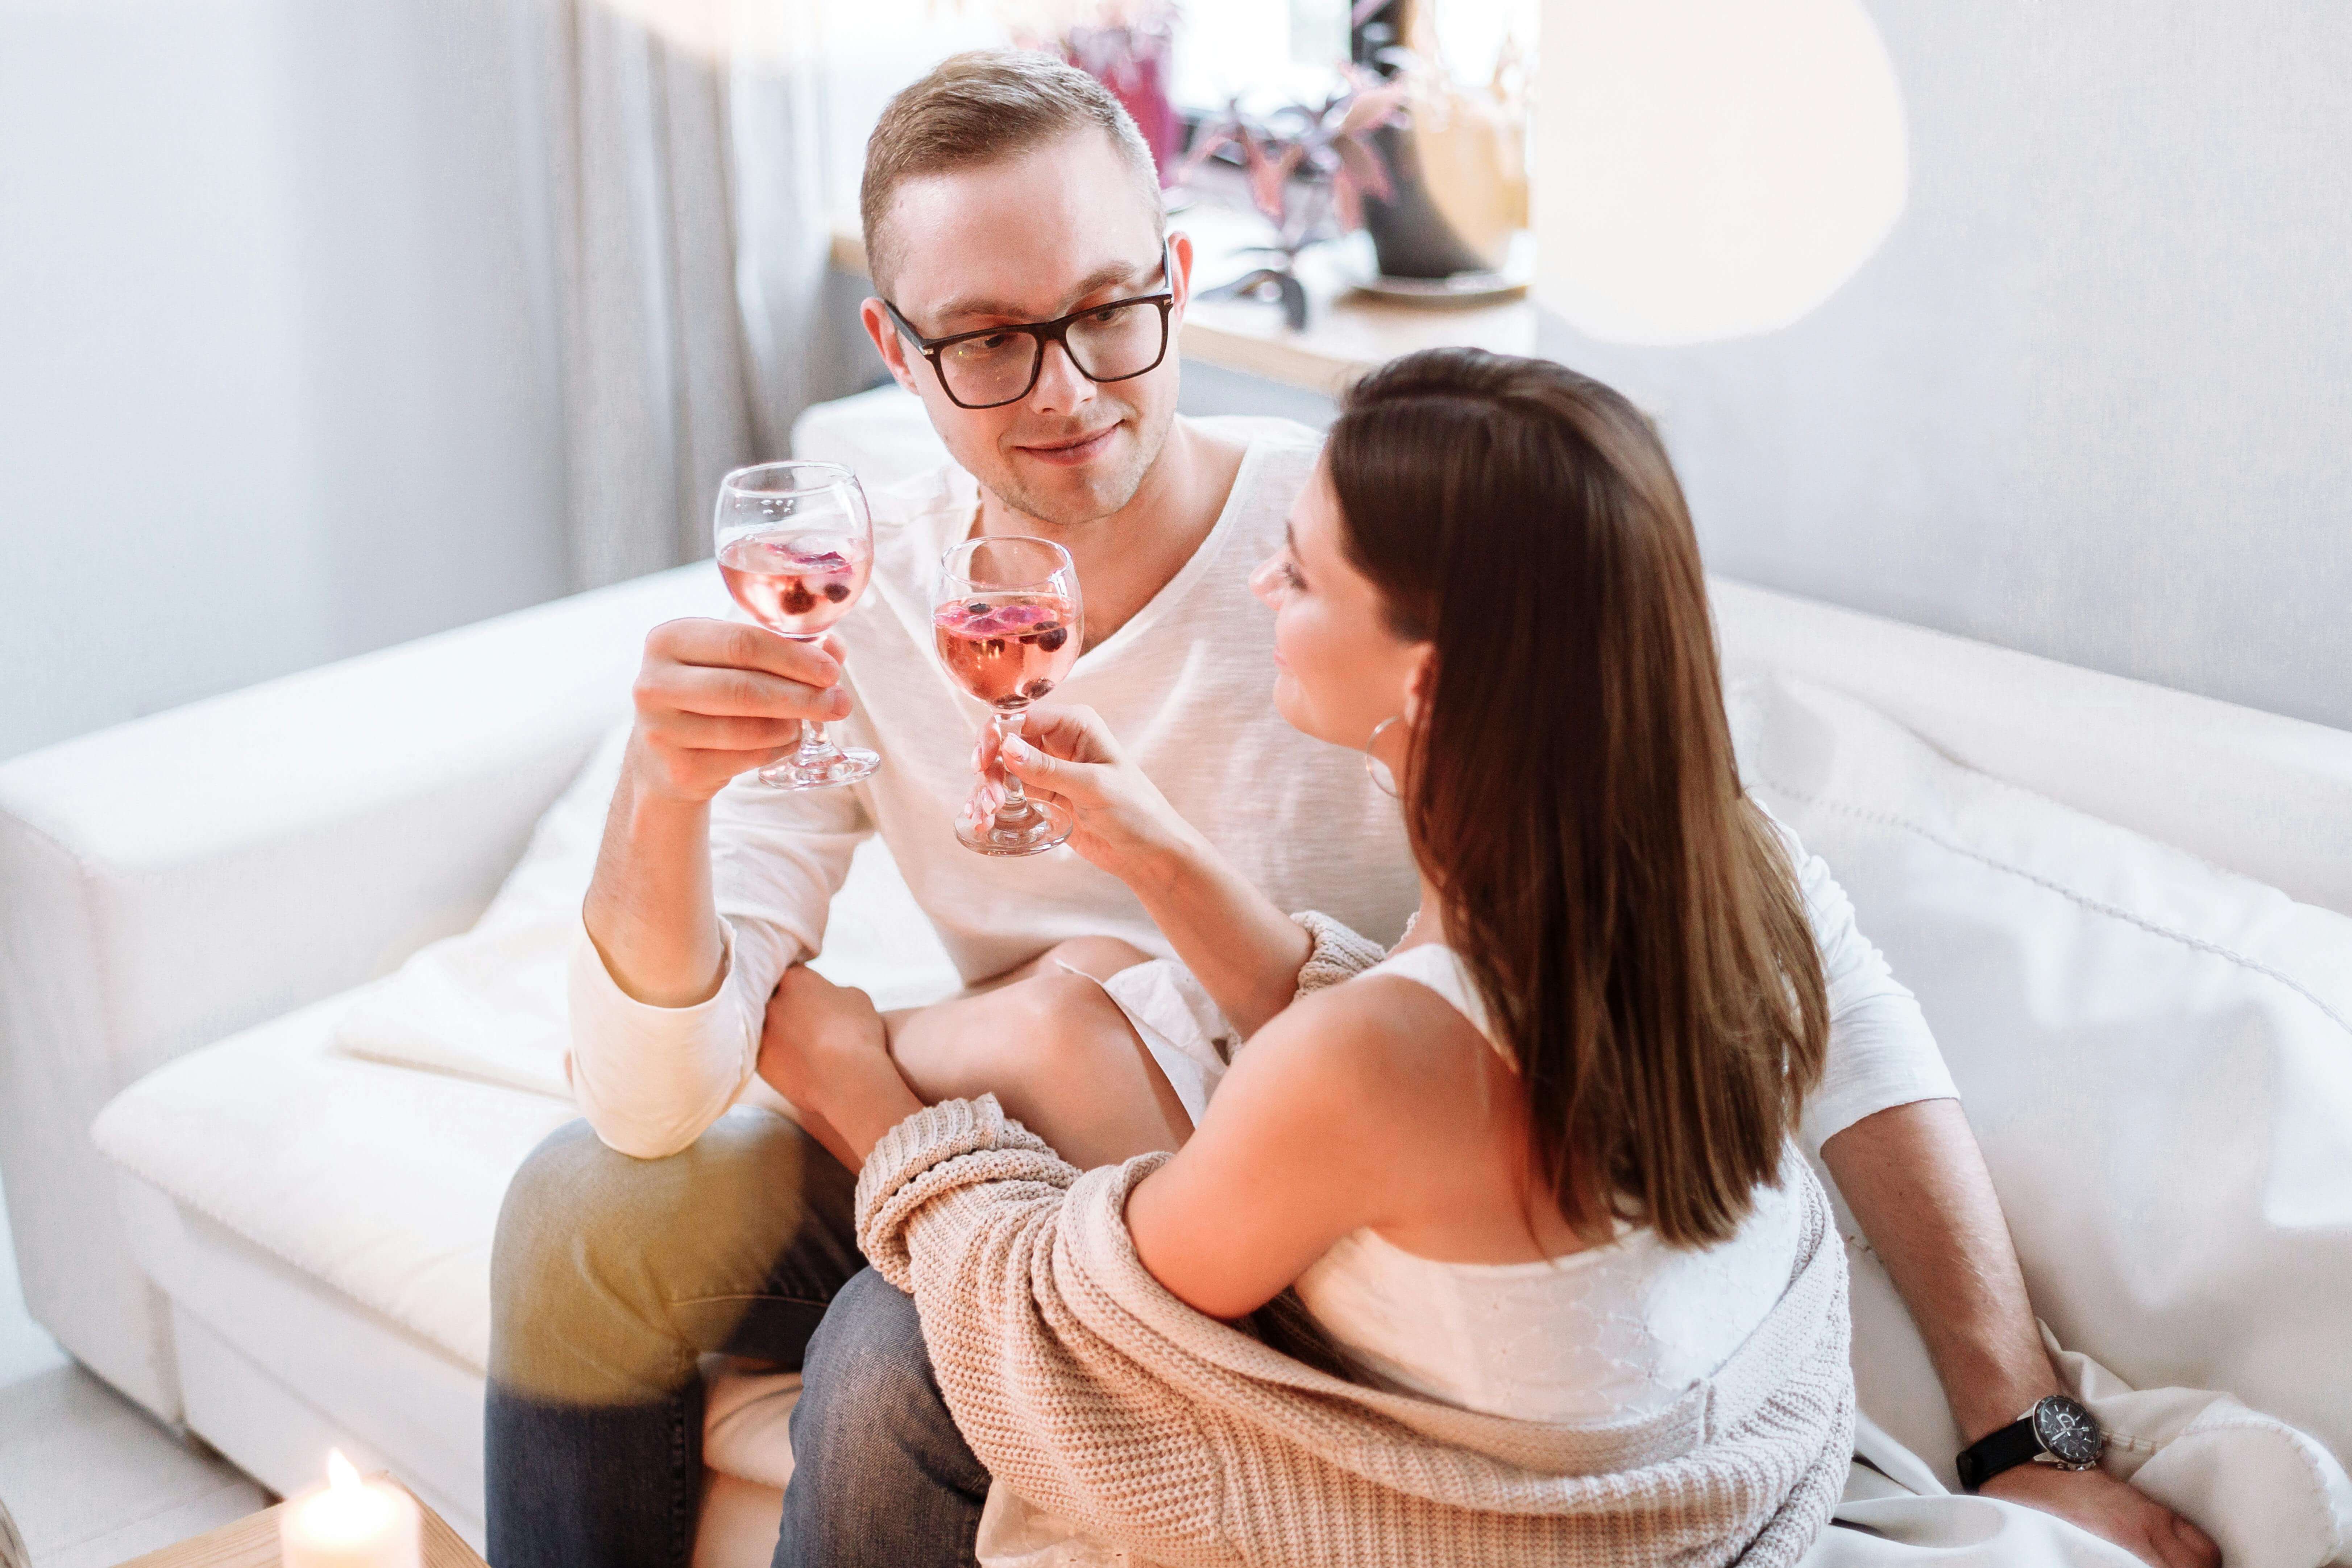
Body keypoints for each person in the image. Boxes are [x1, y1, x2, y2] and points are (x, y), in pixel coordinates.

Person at [482, 48, 2216, 1568]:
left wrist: (2022, 1424)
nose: (1075, 391)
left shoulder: (1388, 553)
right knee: (577, 1210)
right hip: (1121, 1116)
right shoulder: (871, 588)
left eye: (1108, 309)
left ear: (1174, 269)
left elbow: (1792, 959)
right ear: (897, 346)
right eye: (995, 344)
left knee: (889, 1354)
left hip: (1286, 1199)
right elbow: (661, 1094)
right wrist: (661, 793)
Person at [758, 346, 1860, 1561]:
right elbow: (1422, 1063)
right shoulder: (1719, 887)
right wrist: (1161, 856)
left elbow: (1077, 1346)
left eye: (1300, 573)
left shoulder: (1368, 1066)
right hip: (1668, 1454)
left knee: (886, 1352)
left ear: (1426, 681)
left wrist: (856, 1090)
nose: (1260, 589)